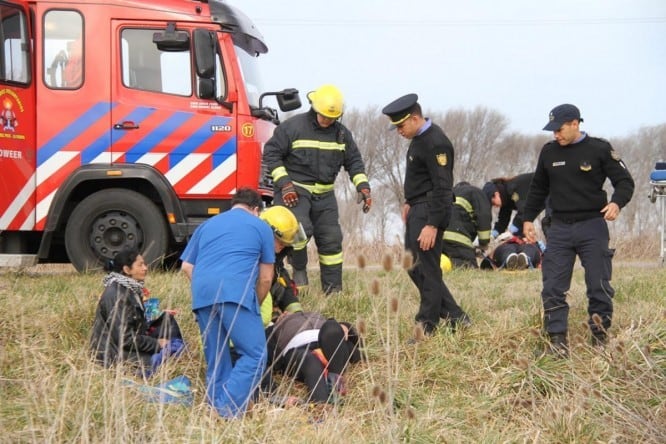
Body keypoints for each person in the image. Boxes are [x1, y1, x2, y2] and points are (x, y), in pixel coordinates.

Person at [522, 103, 634, 356]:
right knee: (552, 286)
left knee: (598, 284)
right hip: (559, 227)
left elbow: (625, 182)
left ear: (575, 124)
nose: (555, 135)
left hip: (592, 226)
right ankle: (557, 340)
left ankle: (600, 336)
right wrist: (527, 219)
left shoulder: (600, 149)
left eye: (559, 129)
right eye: (552, 131)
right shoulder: (549, 152)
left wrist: (617, 203)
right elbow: (538, 188)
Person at [262, 84, 372, 294]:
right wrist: (285, 184)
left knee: (331, 240)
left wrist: (363, 187)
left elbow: (354, 162)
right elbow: (271, 153)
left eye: (332, 118)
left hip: (325, 195)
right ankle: (296, 274)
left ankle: (333, 292)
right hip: (295, 190)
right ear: (314, 108)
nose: (327, 121)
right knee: (299, 230)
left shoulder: (342, 135)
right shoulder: (293, 127)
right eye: (323, 116)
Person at [180, 187, 275, 418]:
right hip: (236, 293)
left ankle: (214, 411)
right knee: (255, 355)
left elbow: (186, 266)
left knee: (217, 357)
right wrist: (255, 302)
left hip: (202, 295)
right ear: (255, 210)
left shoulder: (206, 225)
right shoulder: (261, 226)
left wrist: (208, 288)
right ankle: (223, 410)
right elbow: (265, 277)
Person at [382, 93, 470, 336]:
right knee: (414, 266)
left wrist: (433, 224)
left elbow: (443, 187)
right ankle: (456, 316)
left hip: (430, 211)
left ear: (414, 118)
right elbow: (422, 178)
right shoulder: (418, 140)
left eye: (400, 125)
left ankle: (427, 325)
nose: (398, 131)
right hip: (418, 209)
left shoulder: (435, 143)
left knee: (428, 269)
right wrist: (409, 202)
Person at [90, 249, 184, 377]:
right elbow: (125, 338)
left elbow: (136, 325)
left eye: (144, 264)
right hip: (115, 353)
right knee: (164, 360)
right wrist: (157, 343)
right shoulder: (117, 295)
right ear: (127, 270)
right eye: (140, 265)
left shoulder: (131, 289)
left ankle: (174, 350)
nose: (145, 268)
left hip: (130, 343)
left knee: (167, 320)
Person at [266, 311, 362, 404]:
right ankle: (321, 403)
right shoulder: (273, 329)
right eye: (280, 314)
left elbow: (355, 337)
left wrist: (344, 327)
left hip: (327, 341)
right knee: (310, 360)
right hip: (299, 349)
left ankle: (334, 381)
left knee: (332, 327)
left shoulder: (314, 314)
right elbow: (263, 353)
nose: (285, 312)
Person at [441, 181, 492, 269]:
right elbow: (484, 216)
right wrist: (484, 243)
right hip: (458, 239)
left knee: (444, 257)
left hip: (439, 239)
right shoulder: (476, 192)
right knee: (470, 266)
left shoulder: (447, 194)